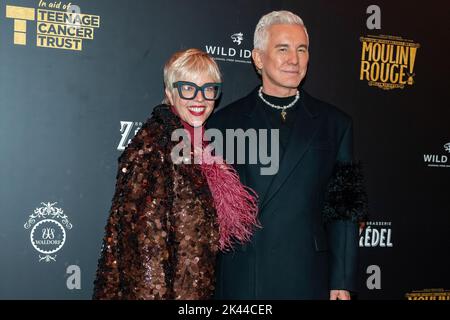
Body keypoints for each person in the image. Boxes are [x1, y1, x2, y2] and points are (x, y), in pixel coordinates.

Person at [208, 11, 367, 300]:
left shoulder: (336, 124)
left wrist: (342, 281)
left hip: (307, 275)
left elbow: (345, 209)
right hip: (244, 276)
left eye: (301, 49)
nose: (294, 59)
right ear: (258, 58)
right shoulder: (223, 124)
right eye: (283, 49)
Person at [93, 48, 259, 300]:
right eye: (188, 88)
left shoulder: (200, 146)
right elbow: (145, 253)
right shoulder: (154, 147)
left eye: (208, 89)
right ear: (170, 93)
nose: (199, 99)